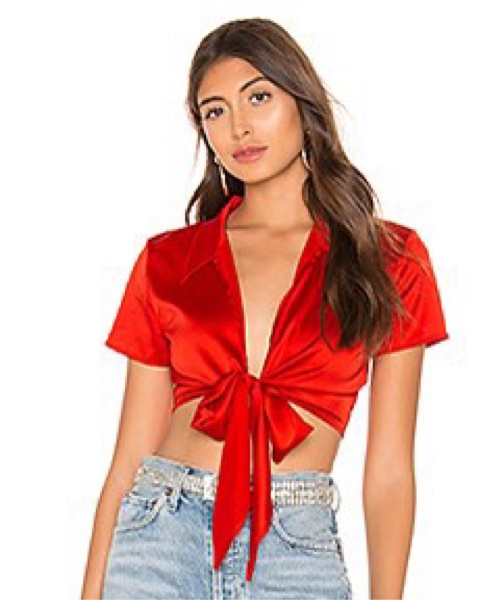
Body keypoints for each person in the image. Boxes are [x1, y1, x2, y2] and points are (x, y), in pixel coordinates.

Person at [81, 18, 449, 600]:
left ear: (302, 101)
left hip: (295, 549)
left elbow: (389, 470)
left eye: (258, 97)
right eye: (215, 111)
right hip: (159, 536)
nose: (240, 128)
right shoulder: (167, 261)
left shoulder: (390, 259)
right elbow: (128, 457)